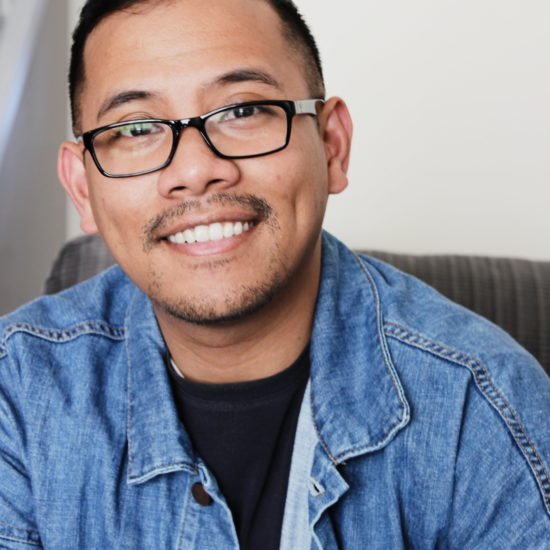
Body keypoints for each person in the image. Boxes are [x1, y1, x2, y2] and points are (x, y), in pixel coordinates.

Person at [0, 0, 549, 547]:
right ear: (82, 189)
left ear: (332, 145)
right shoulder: (17, 392)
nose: (195, 170)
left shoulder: (484, 409)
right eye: (137, 127)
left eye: (242, 110)